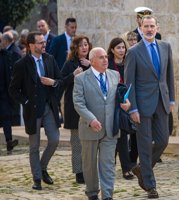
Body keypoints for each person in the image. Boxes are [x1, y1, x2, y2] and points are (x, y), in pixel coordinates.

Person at [124, 15, 175, 199]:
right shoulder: (134, 52)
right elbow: (129, 84)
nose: (149, 29)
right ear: (141, 27)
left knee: (163, 141)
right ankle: (150, 185)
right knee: (144, 146)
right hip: (142, 107)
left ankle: (141, 168)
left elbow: (169, 75)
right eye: (146, 26)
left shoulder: (165, 46)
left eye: (152, 26)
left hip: (162, 102)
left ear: (157, 27)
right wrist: (133, 109)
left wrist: (171, 100)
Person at [73, 47, 131, 200]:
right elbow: (78, 103)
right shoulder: (81, 79)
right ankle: (92, 193)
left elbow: (119, 96)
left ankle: (107, 195)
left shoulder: (115, 74)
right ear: (92, 61)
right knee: (90, 165)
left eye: (106, 56)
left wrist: (125, 103)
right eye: (101, 57)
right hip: (90, 128)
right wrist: (91, 119)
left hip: (111, 128)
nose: (105, 59)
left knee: (108, 164)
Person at [9, 31, 63, 190]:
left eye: (44, 42)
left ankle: (42, 167)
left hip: (49, 107)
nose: (44, 45)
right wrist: (25, 101)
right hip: (32, 110)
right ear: (31, 45)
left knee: (54, 140)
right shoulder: (21, 64)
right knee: (34, 146)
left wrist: (52, 82)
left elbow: (59, 80)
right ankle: (37, 179)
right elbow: (13, 90)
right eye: (40, 43)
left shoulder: (50, 59)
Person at [60, 35, 92, 184]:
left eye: (86, 44)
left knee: (90, 141)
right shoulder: (69, 64)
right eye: (81, 45)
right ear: (76, 48)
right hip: (74, 107)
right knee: (77, 142)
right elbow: (62, 83)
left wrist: (91, 65)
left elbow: (103, 77)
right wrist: (73, 75)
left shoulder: (94, 62)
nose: (84, 47)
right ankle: (79, 172)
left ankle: (90, 169)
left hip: (91, 106)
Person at [107, 37, 135, 180]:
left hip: (128, 104)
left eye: (123, 47)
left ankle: (125, 168)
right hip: (112, 105)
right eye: (118, 47)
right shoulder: (108, 65)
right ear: (112, 50)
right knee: (116, 136)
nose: (121, 50)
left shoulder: (129, 63)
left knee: (123, 136)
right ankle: (116, 167)